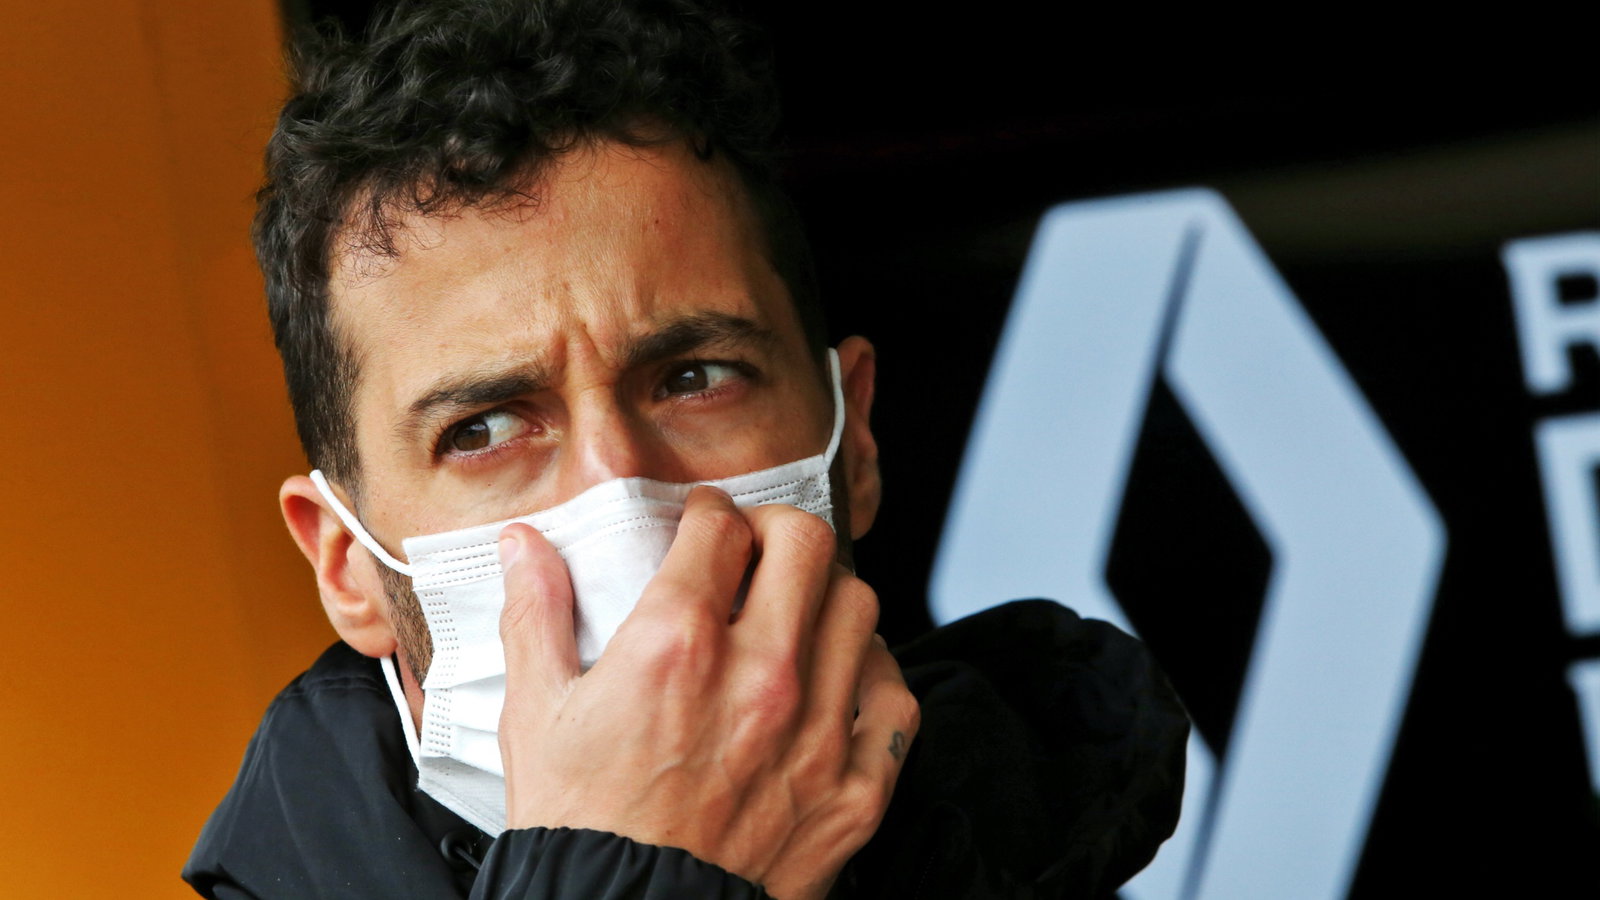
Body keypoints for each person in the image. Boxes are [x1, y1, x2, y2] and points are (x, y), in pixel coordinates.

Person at [183, 0, 1189, 897]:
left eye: (696, 377)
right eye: (482, 429)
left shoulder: (1044, 832)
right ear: (347, 567)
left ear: (855, 442)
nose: (620, 490)